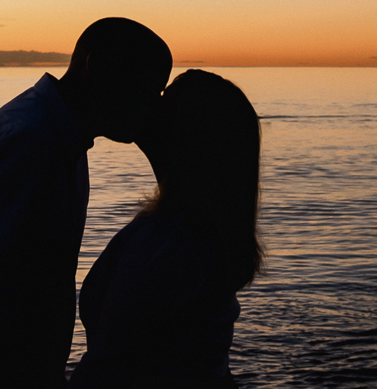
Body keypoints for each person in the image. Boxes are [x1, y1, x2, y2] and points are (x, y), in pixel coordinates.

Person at [0, 17, 172, 389]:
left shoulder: (58, 140)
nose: (152, 107)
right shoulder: (29, 143)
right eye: (146, 88)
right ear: (96, 68)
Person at [69, 69, 262, 389]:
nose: (149, 103)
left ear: (186, 133)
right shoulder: (191, 233)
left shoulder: (172, 241)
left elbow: (122, 360)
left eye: (165, 100)